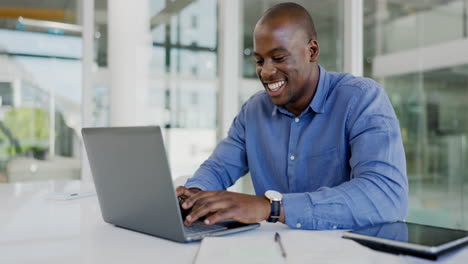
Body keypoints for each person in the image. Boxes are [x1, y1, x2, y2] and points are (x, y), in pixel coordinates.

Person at [176, 2, 408, 230]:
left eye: (278, 58)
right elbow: (218, 167)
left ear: (312, 51)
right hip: (275, 250)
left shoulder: (361, 99)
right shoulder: (253, 111)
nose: (265, 71)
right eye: (259, 60)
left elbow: (386, 196)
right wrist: (194, 197)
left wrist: (272, 208)